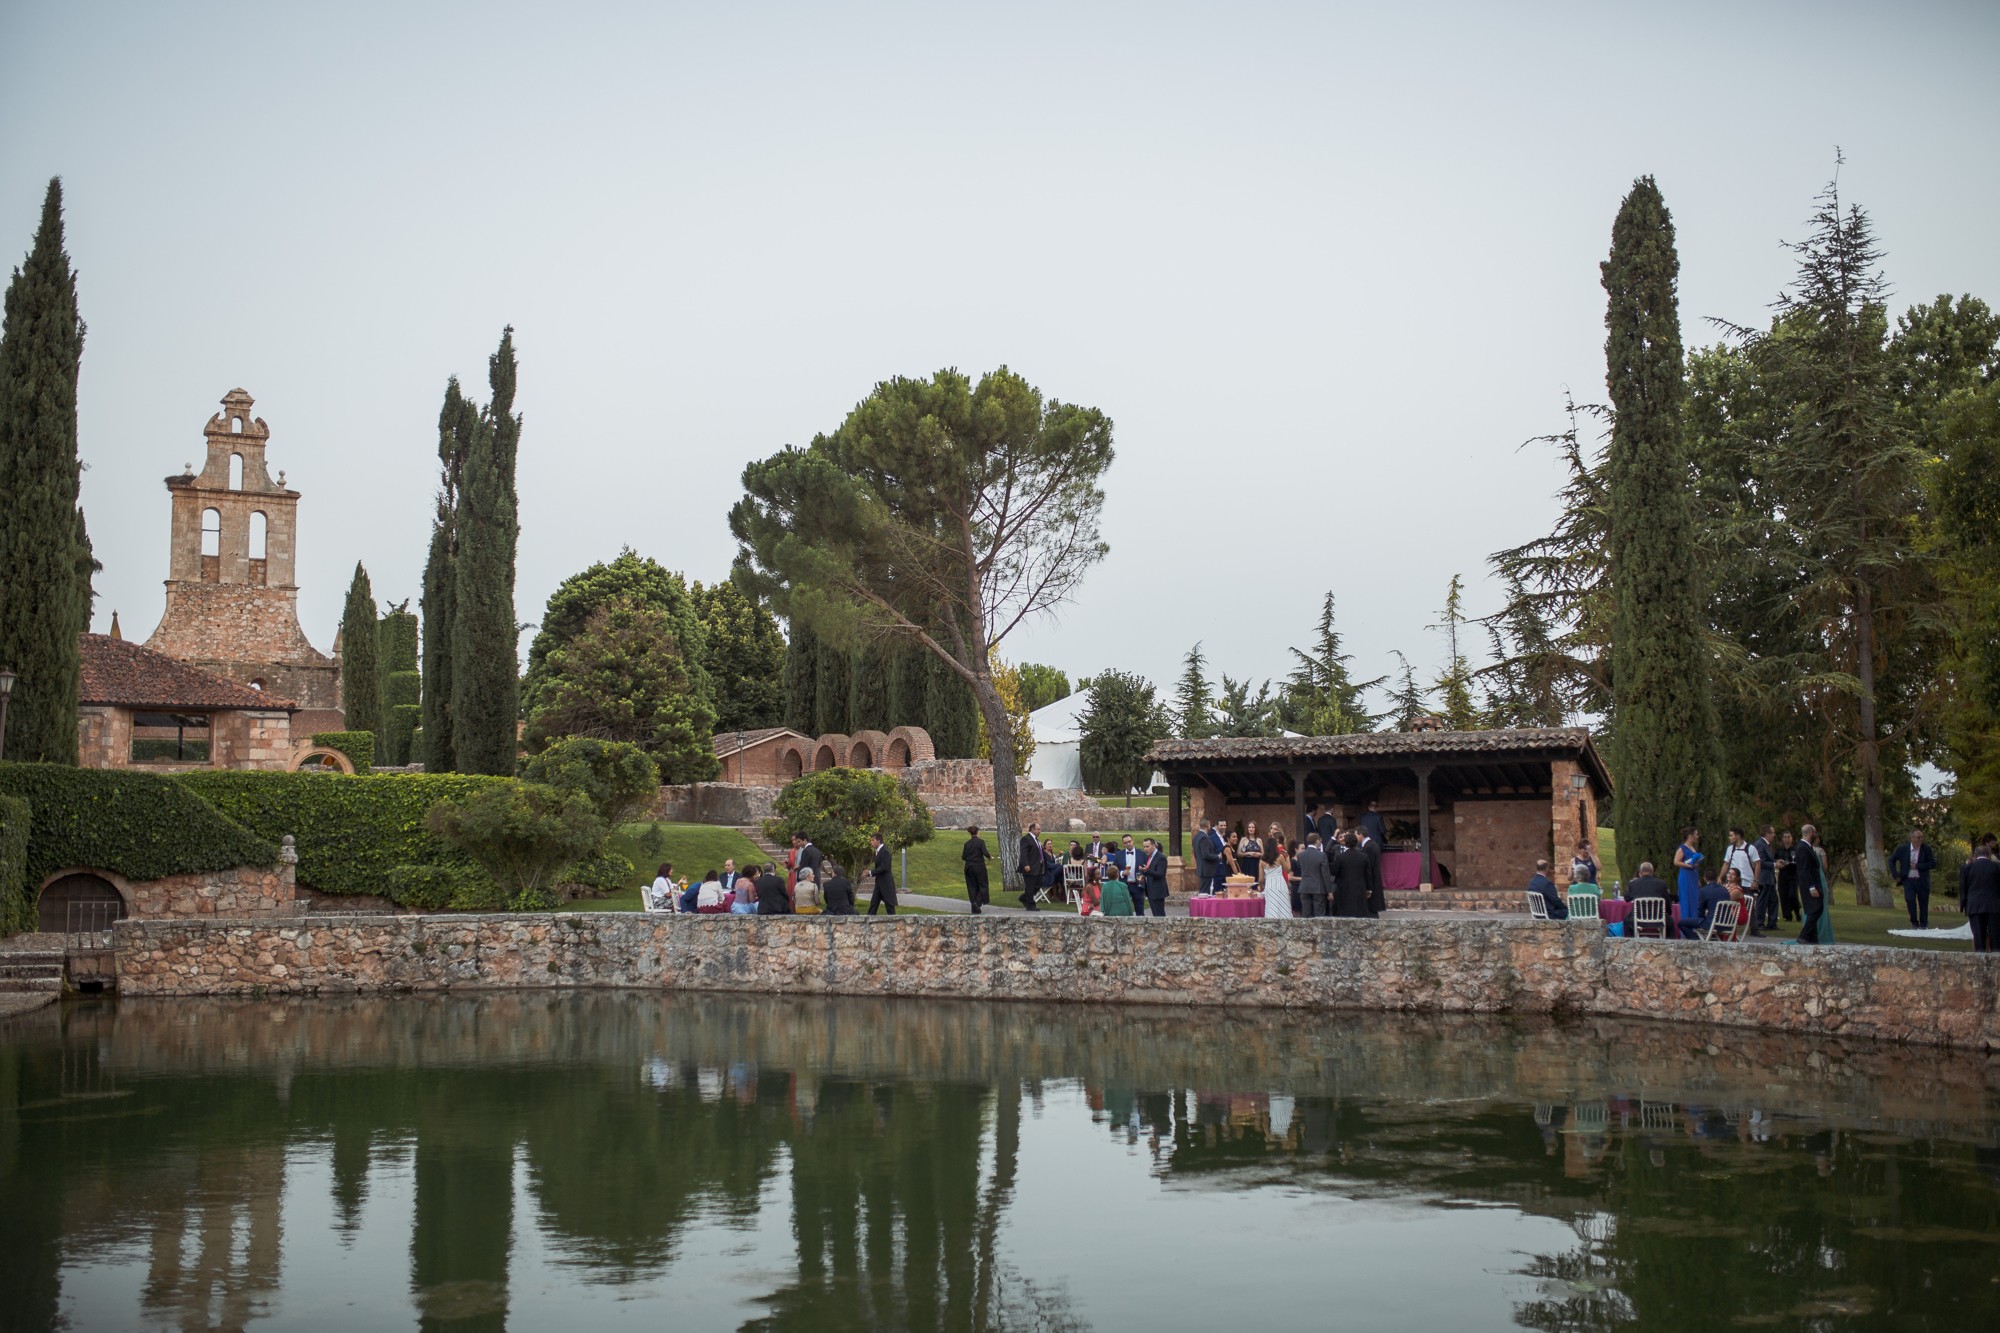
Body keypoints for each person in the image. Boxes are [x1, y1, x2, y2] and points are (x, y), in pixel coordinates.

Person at [1889, 826, 1937, 929]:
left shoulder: (1926, 849)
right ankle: (1914, 922)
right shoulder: (1902, 849)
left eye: (1921, 837)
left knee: (1923, 902)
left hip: (1922, 880)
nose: (1920, 839)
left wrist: (1918, 866)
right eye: (1918, 837)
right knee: (1910, 899)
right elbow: (1891, 860)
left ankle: (1924, 924)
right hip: (1908, 880)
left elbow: (1932, 864)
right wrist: (1896, 875)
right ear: (1911, 838)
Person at [1961, 835, 2000, 953]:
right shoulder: (1997, 867)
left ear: (1975, 855)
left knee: (1978, 937)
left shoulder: (1967, 868)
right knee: (1996, 937)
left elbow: (1963, 888)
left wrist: (1963, 905)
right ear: (1989, 855)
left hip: (1974, 905)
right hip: (1994, 906)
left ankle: (1979, 960)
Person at [1721, 828, 1761, 936]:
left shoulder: (1750, 848)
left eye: (1731, 835)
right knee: (1731, 903)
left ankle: (1754, 929)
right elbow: (1726, 863)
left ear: (1738, 836)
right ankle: (1728, 924)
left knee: (1750, 905)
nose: (1729, 838)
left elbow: (1757, 864)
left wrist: (1755, 880)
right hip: (1734, 881)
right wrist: (1720, 877)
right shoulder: (1730, 849)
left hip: (1747, 881)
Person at [1795, 824, 1829, 944]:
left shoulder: (1807, 847)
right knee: (1816, 909)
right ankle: (1804, 935)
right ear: (1811, 833)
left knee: (1814, 909)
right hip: (1810, 885)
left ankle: (1812, 937)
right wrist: (1811, 887)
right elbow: (1804, 870)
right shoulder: (1803, 848)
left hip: (1813, 883)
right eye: (1814, 833)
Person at [1625, 861, 1672, 937]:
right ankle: (1669, 944)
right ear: (1653, 872)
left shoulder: (1633, 884)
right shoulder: (1661, 884)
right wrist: (1668, 913)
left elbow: (1626, 898)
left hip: (1638, 918)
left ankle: (1631, 942)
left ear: (1640, 872)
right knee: (1671, 921)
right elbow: (1668, 901)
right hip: (1659, 918)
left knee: (1626, 920)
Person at [1331, 833, 1372, 918]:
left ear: (1346, 843)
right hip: (1359, 887)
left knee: (1345, 911)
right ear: (1356, 843)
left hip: (1344, 887)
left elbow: (1334, 872)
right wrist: (1369, 889)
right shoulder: (1364, 856)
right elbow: (1368, 874)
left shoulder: (1341, 857)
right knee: (1359, 912)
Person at [1686, 869, 1734, 939]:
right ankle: (1708, 939)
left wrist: (1701, 918)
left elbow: (1700, 910)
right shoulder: (1725, 890)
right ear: (1717, 877)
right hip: (1728, 924)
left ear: (1704, 878)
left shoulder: (1704, 891)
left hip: (1712, 924)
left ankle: (1697, 940)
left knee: (1681, 923)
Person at [1295, 833, 1331, 918]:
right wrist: (1329, 891)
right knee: (1319, 914)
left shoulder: (1300, 855)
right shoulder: (1321, 855)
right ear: (1317, 841)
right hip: (1318, 888)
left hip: (1304, 887)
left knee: (1306, 914)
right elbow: (1325, 874)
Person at [1752, 825, 1780, 932]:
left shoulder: (1768, 845)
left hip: (1770, 878)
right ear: (1766, 834)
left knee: (1773, 900)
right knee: (1762, 900)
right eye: (1772, 833)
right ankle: (1759, 923)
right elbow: (1760, 862)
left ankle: (1772, 923)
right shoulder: (1760, 845)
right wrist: (1774, 865)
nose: (1774, 835)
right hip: (1764, 878)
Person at [1673, 828, 1704, 923]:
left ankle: (1694, 922)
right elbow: (1676, 862)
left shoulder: (1693, 848)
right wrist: (1689, 865)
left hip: (1693, 875)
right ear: (1690, 836)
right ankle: (1686, 922)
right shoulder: (1682, 848)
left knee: (1694, 899)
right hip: (1686, 876)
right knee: (1686, 899)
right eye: (1696, 834)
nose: (1697, 837)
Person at [1262, 830, 1294, 920]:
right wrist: (1287, 858)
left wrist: (1261, 886)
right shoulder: (1281, 855)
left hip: (1269, 883)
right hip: (1280, 882)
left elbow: (1261, 878)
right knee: (1283, 903)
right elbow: (1288, 869)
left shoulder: (1262, 860)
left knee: (1271, 905)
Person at [1134, 837, 1169, 916]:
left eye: (1147, 846)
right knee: (1155, 914)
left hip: (1157, 891)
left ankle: (1161, 927)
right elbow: (1150, 873)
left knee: (1159, 914)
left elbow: (1160, 874)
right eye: (1144, 847)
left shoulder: (1161, 857)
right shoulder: (1149, 857)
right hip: (1150, 891)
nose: (1145, 849)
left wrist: (1147, 871)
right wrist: (1143, 873)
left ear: (1153, 846)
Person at [962, 826, 992, 914]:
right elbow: (985, 852)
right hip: (979, 866)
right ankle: (977, 903)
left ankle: (973, 905)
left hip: (968, 866)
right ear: (977, 832)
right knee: (983, 885)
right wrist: (990, 857)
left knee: (971, 886)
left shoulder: (967, 844)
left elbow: (963, 857)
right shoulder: (980, 842)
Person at [867, 831, 897, 915]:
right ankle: (868, 924)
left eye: (873, 840)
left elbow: (884, 867)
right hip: (879, 884)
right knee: (873, 906)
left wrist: (870, 872)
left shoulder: (885, 852)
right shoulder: (878, 852)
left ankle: (895, 924)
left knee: (890, 907)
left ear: (879, 840)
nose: (871, 842)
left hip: (886, 884)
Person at [1193, 820, 1225, 896]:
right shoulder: (1204, 837)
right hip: (1206, 869)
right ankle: (1204, 907)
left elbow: (1196, 854)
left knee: (1203, 891)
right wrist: (1218, 856)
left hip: (1202, 867)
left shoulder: (1196, 837)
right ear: (1208, 826)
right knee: (1204, 892)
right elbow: (1205, 854)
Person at [1775, 830, 1801, 922]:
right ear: (1782, 839)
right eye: (1785, 837)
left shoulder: (1796, 849)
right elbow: (1775, 860)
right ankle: (1787, 915)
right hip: (1783, 875)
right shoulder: (1779, 850)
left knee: (1792, 895)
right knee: (1783, 895)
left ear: (1792, 838)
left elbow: (1799, 862)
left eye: (1788, 837)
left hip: (1793, 874)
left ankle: (1797, 912)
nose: (1787, 839)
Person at [1017, 823, 1043, 910]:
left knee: (1038, 884)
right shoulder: (1026, 839)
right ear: (1032, 829)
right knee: (1030, 886)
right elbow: (1023, 853)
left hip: (1037, 867)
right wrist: (1026, 864)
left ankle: (1024, 898)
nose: (1040, 831)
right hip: (1030, 867)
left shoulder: (1036, 840)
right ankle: (1030, 905)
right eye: (1038, 829)